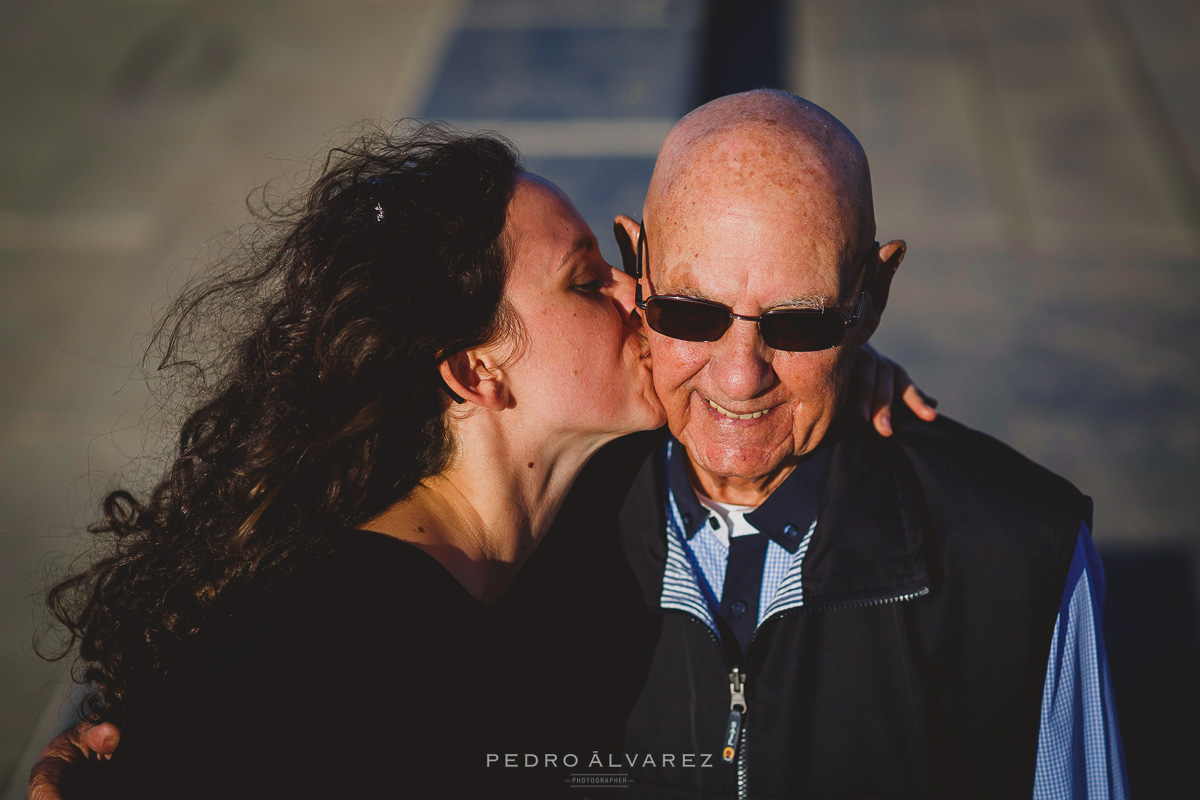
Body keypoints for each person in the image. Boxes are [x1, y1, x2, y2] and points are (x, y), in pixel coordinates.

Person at [26, 120, 931, 799]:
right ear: (474, 371)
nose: (638, 292)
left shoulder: (555, 538)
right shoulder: (328, 673)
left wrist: (826, 360)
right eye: (587, 280)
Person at [508, 89, 1127, 798]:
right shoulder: (539, 516)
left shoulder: (1022, 558)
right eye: (691, 312)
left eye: (799, 325)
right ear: (634, 265)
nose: (740, 378)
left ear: (875, 296)